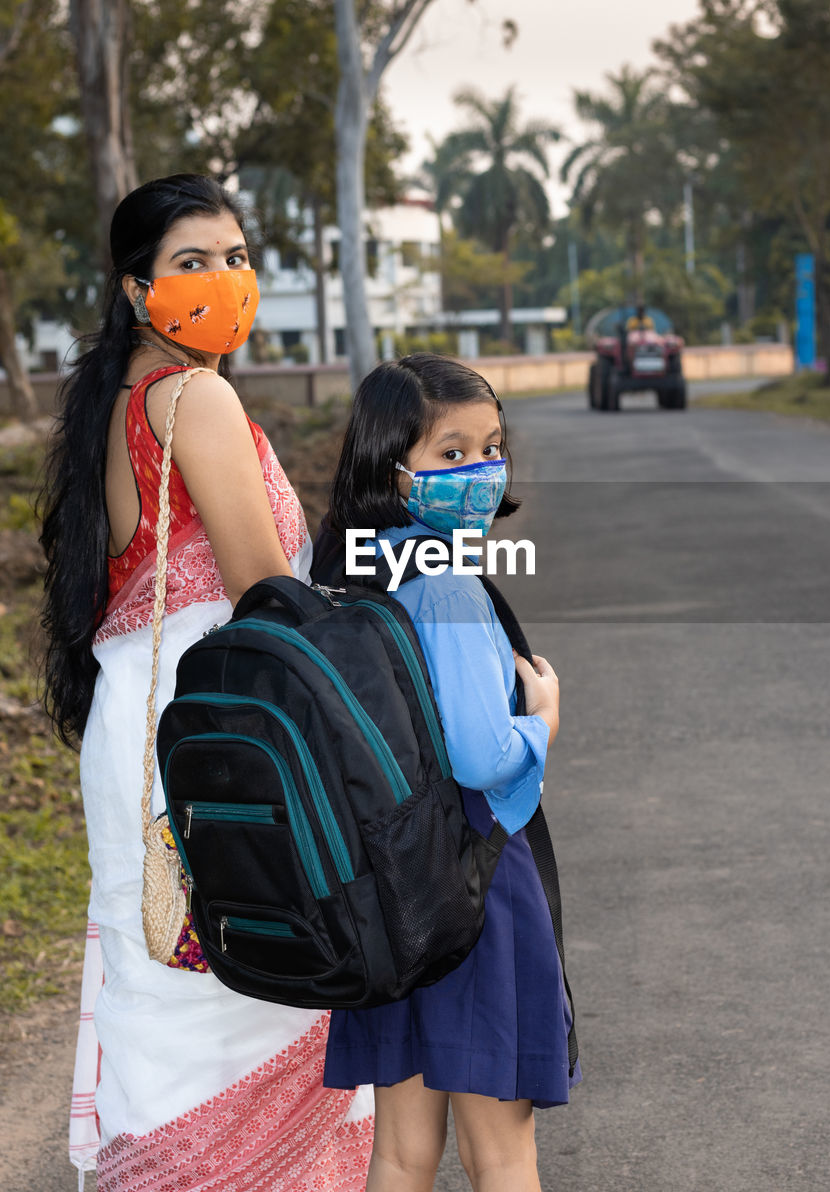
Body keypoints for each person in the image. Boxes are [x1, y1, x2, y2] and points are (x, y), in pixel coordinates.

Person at [40, 174, 373, 1191]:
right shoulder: (197, 395)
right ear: (139, 288)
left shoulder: (116, 400)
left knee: (166, 1010)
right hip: (230, 742)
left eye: (235, 256)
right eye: (193, 262)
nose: (224, 279)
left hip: (144, 744)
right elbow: (268, 594)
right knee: (268, 980)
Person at [319, 353, 580, 1192]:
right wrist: (538, 725)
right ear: (391, 467)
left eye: (491, 447)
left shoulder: (345, 570)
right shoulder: (445, 583)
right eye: (451, 454)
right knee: (500, 1154)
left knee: (399, 1151)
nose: (480, 472)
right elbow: (477, 756)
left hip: (386, 895)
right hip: (473, 890)